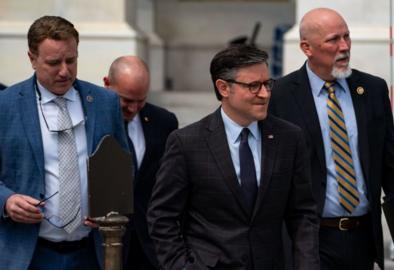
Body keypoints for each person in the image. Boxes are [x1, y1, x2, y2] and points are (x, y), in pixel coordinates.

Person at [269, 8, 394, 270]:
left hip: (362, 238)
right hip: (309, 240)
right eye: (333, 40)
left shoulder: (372, 89)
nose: (344, 47)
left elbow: (391, 164)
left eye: (347, 37)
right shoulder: (280, 95)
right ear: (307, 47)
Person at [147, 45, 320, 270]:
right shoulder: (187, 143)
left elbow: (303, 214)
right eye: (253, 86)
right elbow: (162, 217)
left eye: (267, 84)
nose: (265, 94)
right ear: (223, 88)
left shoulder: (289, 138)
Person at [0, 16, 128, 270]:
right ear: (32, 58)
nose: (64, 71)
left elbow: (123, 167)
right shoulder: (6, 105)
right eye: (53, 62)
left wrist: (110, 204)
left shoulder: (104, 103)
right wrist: (6, 201)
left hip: (91, 253)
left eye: (71, 60)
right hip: (28, 254)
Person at [103, 55, 178, 270]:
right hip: (104, 242)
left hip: (149, 245)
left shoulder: (164, 122)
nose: (134, 108)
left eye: (141, 100)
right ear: (107, 84)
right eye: (126, 100)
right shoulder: (92, 120)